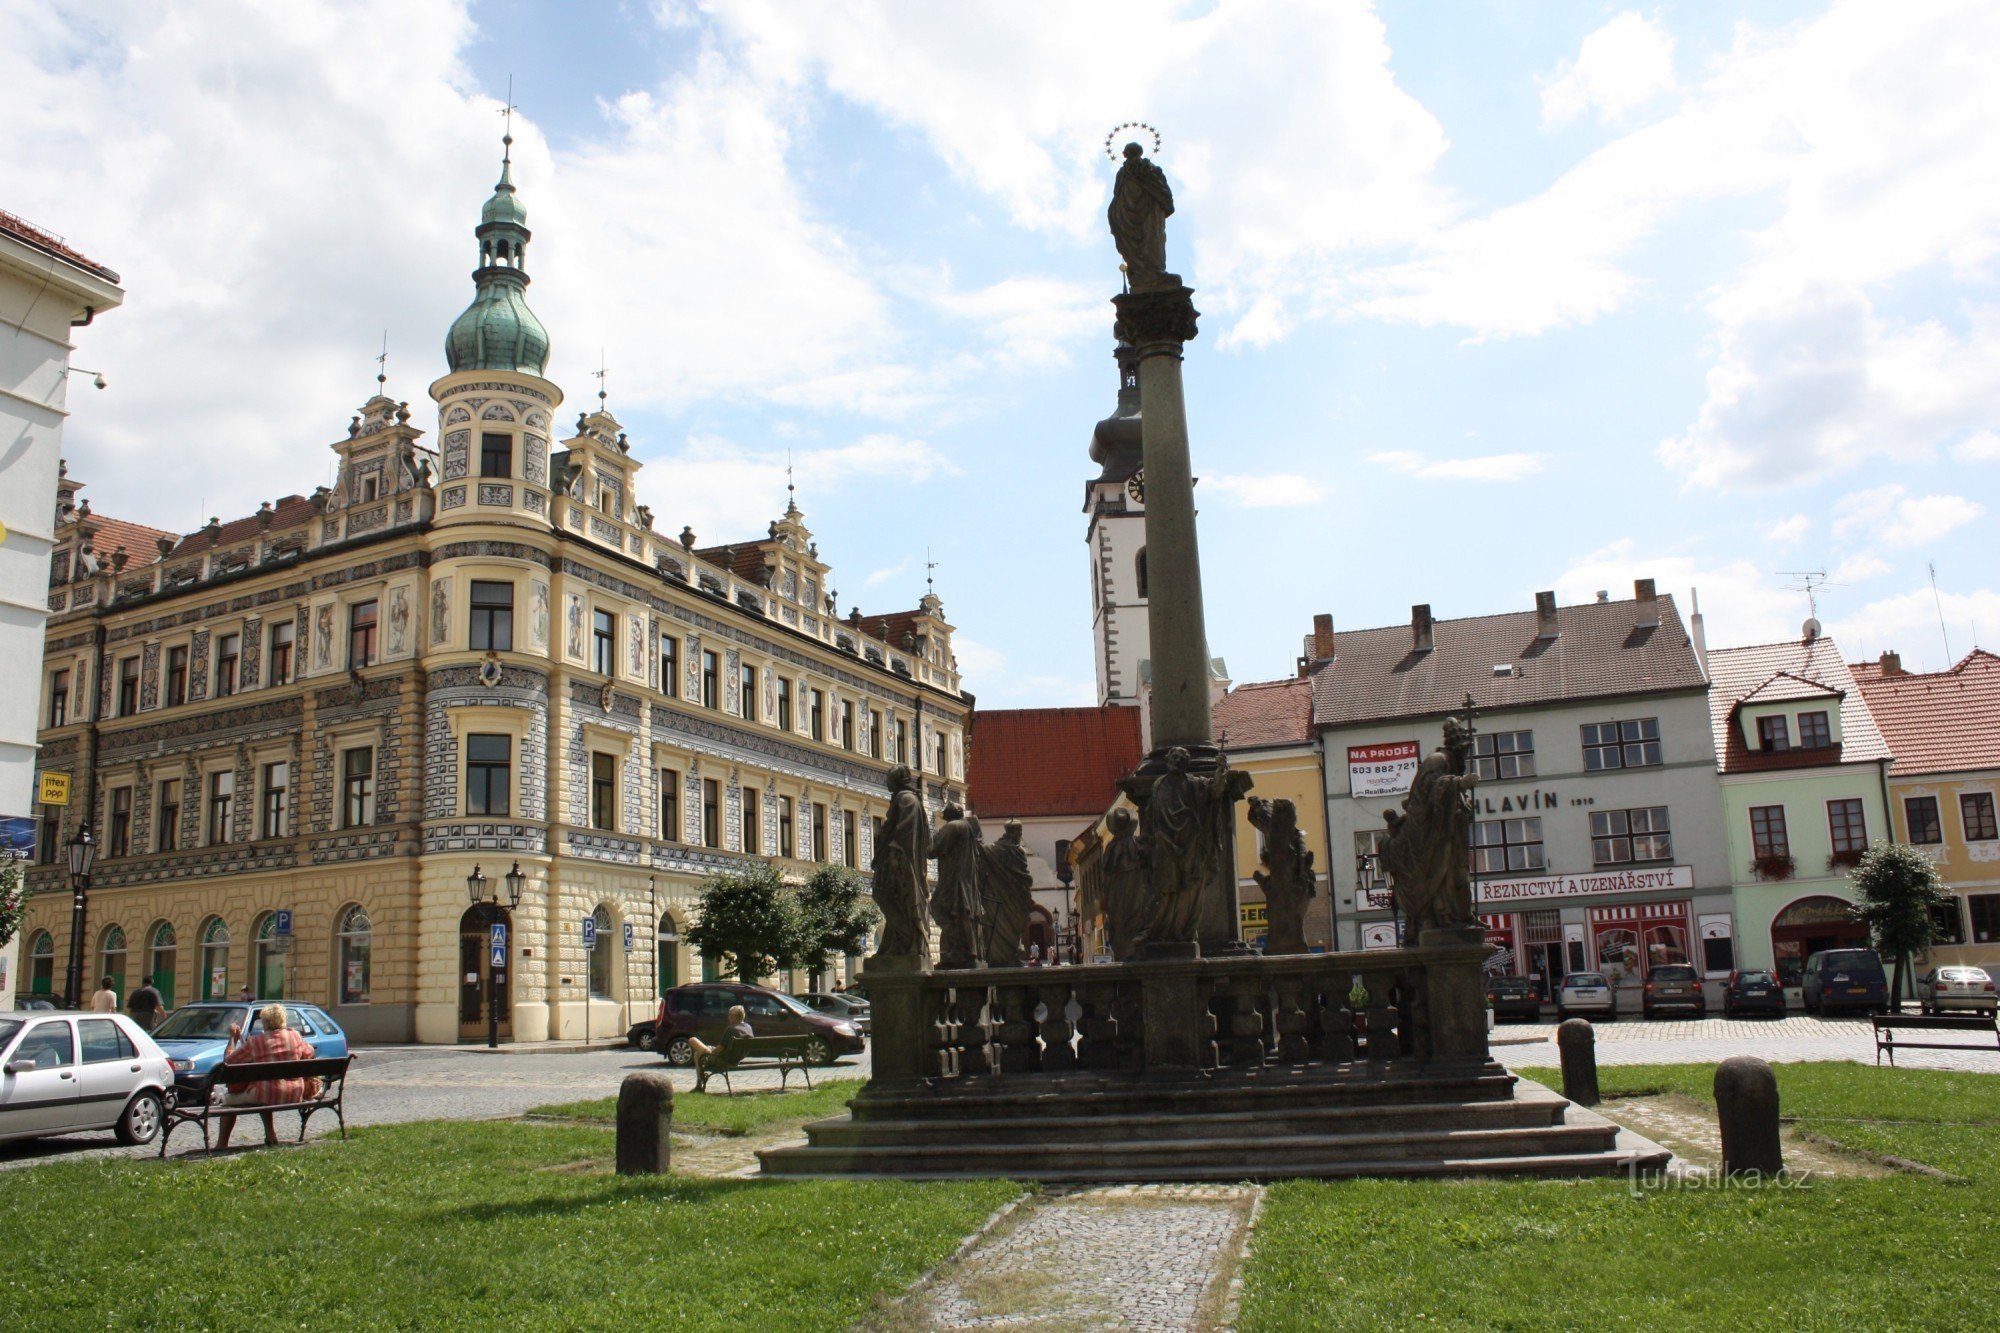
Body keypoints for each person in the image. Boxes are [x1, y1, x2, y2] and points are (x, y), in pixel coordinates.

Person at [215, 1003, 315, 1150]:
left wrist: (233, 1039)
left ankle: (221, 1144)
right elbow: (310, 1053)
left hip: (267, 1094)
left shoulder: (256, 1042)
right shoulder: (295, 1036)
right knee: (264, 1088)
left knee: (229, 1100)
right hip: (295, 1093)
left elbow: (229, 1062)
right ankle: (270, 1134)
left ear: (264, 1021)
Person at [687, 1004, 753, 1093]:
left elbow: (717, 1051)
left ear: (733, 1017)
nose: (728, 1017)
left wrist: (709, 1051)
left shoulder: (731, 1029)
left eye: (729, 1015)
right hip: (736, 1059)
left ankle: (699, 1084)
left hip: (723, 1060)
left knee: (692, 1040)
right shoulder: (748, 1027)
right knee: (697, 1054)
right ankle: (699, 1084)